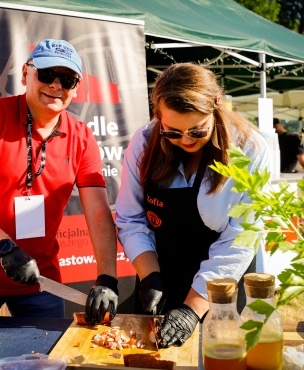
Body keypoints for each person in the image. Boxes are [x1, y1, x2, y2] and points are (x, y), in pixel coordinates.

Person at [0, 39, 118, 323]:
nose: (55, 85)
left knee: (44, 360)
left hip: (40, 279)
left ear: (76, 87)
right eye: (47, 74)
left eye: (68, 79)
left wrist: (107, 276)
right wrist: (5, 247)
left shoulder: (82, 136)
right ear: (26, 74)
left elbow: (98, 210)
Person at [115, 63, 270, 347]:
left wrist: (191, 309)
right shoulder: (144, 142)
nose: (185, 140)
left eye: (197, 131)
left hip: (223, 281)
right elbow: (131, 219)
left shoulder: (249, 149)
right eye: (172, 132)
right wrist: (150, 277)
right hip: (162, 271)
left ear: (216, 105)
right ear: (157, 115)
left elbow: (239, 238)